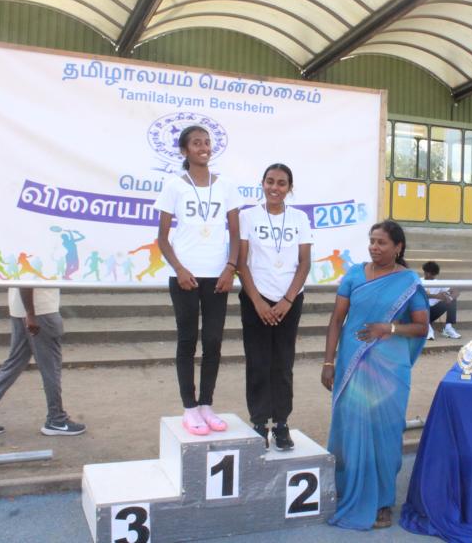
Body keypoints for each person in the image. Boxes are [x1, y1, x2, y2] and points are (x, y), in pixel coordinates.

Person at [322, 220, 429, 530]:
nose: (374, 247)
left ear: (398, 247)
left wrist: (389, 328)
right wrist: (328, 362)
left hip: (389, 369)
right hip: (351, 364)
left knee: (385, 432)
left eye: (382, 242)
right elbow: (336, 321)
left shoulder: (408, 281)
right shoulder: (354, 275)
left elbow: (421, 326)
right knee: (350, 428)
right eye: (372, 241)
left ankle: (382, 501)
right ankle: (347, 491)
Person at [153, 125, 242, 436]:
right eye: (196, 143)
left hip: (218, 276)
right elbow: (162, 238)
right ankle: (189, 407)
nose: (203, 147)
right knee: (187, 341)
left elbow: (236, 234)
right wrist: (179, 269)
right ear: (184, 150)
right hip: (186, 277)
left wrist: (230, 267)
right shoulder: (174, 186)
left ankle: (206, 404)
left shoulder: (227, 186)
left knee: (214, 341)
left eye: (207, 142)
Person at [237, 163, 312, 451]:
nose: (275, 187)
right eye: (270, 181)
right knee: (257, 362)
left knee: (282, 364)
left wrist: (287, 300)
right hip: (255, 299)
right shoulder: (247, 216)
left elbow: (304, 263)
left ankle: (281, 423)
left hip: (289, 301)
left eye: (281, 183)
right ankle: (258, 423)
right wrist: (257, 301)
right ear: (262, 183)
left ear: (289, 188)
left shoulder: (299, 218)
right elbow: (242, 262)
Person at [0, 287, 85, 435]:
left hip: (23, 310)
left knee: (14, 364)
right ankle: (56, 419)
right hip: (39, 311)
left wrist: (29, 313)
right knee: (50, 367)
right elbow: (26, 282)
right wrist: (31, 314)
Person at [421, 261, 460, 340]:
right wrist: (436, 296)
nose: (433, 276)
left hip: (432, 312)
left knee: (452, 300)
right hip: (419, 313)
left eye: (434, 274)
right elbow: (418, 296)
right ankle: (427, 327)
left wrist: (450, 298)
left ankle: (448, 327)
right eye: (431, 274)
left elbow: (456, 291)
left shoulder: (438, 283)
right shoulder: (418, 281)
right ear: (426, 272)